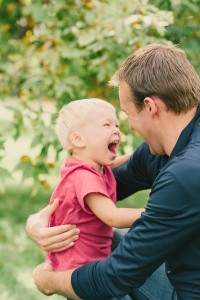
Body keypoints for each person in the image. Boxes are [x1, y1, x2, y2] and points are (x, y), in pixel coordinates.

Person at [26, 43, 200, 300]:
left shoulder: (186, 172)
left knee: (88, 276)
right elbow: (85, 189)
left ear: (151, 107)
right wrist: (37, 224)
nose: (128, 126)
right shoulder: (167, 148)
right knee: (89, 239)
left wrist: (48, 280)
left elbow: (114, 277)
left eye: (128, 114)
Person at [44, 98, 143, 273]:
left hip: (83, 260)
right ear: (79, 140)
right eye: (106, 125)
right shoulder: (84, 177)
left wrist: (137, 156)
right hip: (81, 267)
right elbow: (113, 217)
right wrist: (156, 213)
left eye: (117, 125)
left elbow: (111, 164)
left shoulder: (83, 165)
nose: (116, 131)